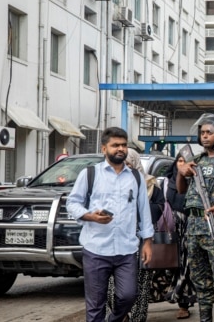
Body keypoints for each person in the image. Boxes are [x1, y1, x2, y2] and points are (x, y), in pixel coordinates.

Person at [66, 127, 154, 322]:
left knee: (128, 296)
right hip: (96, 248)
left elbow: (143, 211)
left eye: (123, 145)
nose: (120, 149)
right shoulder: (90, 174)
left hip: (126, 249)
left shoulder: (136, 178)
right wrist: (90, 216)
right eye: (115, 145)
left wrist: (147, 241)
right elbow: (72, 203)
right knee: (95, 304)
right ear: (104, 148)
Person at [176, 113, 214, 322]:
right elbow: (181, 190)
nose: (205, 136)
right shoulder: (196, 160)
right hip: (194, 228)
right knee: (201, 281)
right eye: (202, 133)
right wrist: (181, 171)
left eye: (209, 133)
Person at [106, 149, 167, 322]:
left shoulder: (150, 184)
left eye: (129, 163)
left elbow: (158, 209)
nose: (125, 167)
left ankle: (138, 318)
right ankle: (119, 316)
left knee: (141, 282)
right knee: (113, 282)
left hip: (142, 242)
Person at [164, 153, 197, 319]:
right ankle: (173, 294)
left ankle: (183, 303)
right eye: (179, 161)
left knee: (186, 265)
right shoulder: (166, 181)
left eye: (185, 161)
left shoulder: (194, 181)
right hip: (171, 229)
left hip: (190, 228)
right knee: (172, 266)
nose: (182, 164)